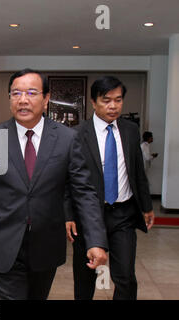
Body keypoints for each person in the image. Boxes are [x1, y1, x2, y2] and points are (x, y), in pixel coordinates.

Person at [0, 68, 108, 300]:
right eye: (16, 93)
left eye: (31, 93)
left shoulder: (67, 139)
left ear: (46, 98)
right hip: (3, 243)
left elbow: (84, 193)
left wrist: (96, 240)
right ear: (9, 98)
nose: (22, 100)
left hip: (46, 244)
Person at [66, 76, 155, 300]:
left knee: (125, 276)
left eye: (118, 100)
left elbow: (137, 171)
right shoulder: (77, 134)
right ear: (94, 102)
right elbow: (67, 180)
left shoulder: (130, 130)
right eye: (106, 100)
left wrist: (146, 206)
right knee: (85, 277)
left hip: (123, 213)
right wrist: (69, 214)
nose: (113, 106)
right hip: (88, 216)